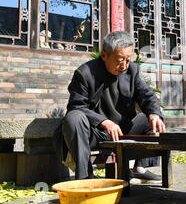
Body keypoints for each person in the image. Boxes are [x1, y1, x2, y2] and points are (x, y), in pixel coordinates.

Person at [53, 31, 166, 180]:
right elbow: (76, 106)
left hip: (122, 129)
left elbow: (147, 95)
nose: (124, 65)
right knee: (73, 118)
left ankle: (139, 168)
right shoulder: (85, 73)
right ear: (105, 55)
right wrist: (103, 122)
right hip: (94, 132)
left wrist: (154, 114)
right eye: (120, 59)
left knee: (154, 119)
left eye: (128, 59)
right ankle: (85, 176)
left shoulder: (132, 70)